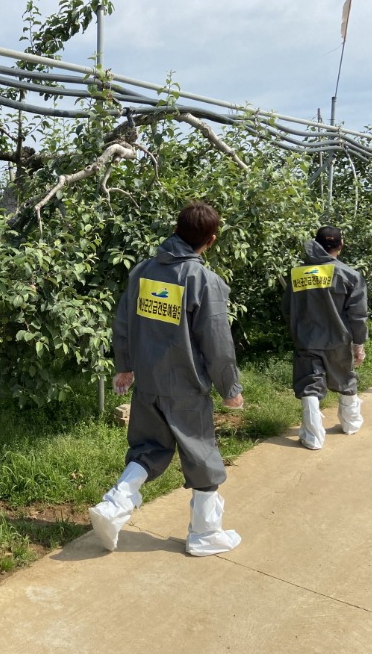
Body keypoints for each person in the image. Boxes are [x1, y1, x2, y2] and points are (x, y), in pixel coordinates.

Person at [90, 201, 245, 556]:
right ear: (211, 239)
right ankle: (205, 534)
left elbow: (124, 322)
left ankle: (113, 506)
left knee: (149, 449)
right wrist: (230, 388)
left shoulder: (143, 271)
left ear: (175, 229)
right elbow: (218, 343)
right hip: (186, 387)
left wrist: (125, 366)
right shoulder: (203, 280)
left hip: (148, 384)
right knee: (203, 458)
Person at [282, 226, 368, 450]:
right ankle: (350, 424)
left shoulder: (297, 273)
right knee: (346, 380)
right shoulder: (349, 275)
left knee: (309, 385)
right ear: (340, 245)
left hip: (306, 340)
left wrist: (297, 333)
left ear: (316, 245)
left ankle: (313, 438)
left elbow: (288, 309)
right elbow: (357, 315)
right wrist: (359, 343)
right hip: (339, 339)